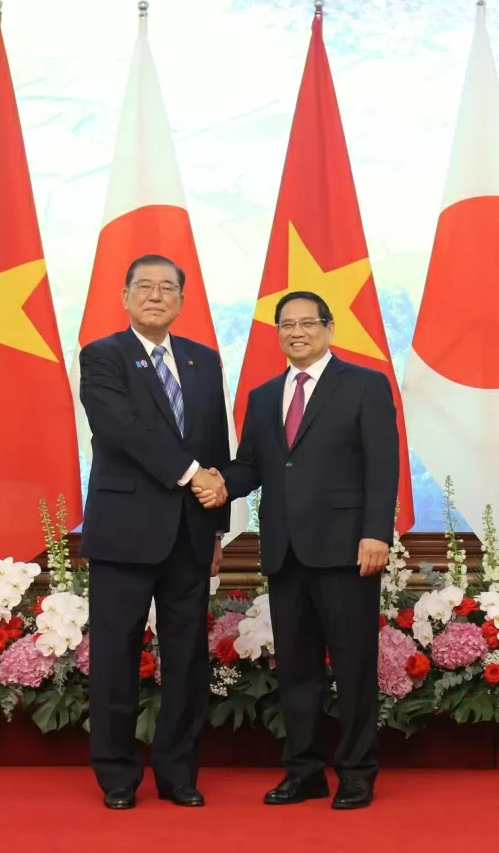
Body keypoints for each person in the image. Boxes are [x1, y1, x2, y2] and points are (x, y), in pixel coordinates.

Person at [194, 290, 398, 810]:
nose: (297, 332)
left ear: (330, 328)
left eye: (308, 322)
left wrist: (377, 533)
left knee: (353, 666)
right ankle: (304, 771)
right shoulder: (263, 396)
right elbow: (251, 466)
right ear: (278, 333)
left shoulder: (365, 386)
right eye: (287, 324)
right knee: (297, 670)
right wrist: (219, 483)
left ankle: (356, 772)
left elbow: (383, 465)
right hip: (285, 551)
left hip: (349, 550)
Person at [78, 254, 231, 810]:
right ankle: (118, 776)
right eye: (144, 286)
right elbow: (122, 428)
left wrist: (217, 525)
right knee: (116, 657)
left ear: (182, 301)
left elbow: (215, 441)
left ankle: (178, 774)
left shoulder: (202, 361)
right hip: (124, 533)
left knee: (188, 659)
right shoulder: (103, 356)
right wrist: (194, 475)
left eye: (168, 288)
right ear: (124, 296)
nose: (155, 295)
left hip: (191, 535)